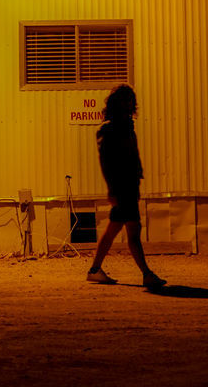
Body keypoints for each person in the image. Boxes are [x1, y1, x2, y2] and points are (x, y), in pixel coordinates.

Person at [87, 84, 166, 290]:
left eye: (131, 99)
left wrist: (138, 172)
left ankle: (95, 270)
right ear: (116, 102)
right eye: (125, 99)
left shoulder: (127, 125)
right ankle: (147, 275)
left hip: (129, 185)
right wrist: (112, 189)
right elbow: (106, 160)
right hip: (122, 187)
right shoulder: (109, 128)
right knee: (133, 231)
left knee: (114, 230)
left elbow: (133, 153)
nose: (129, 103)